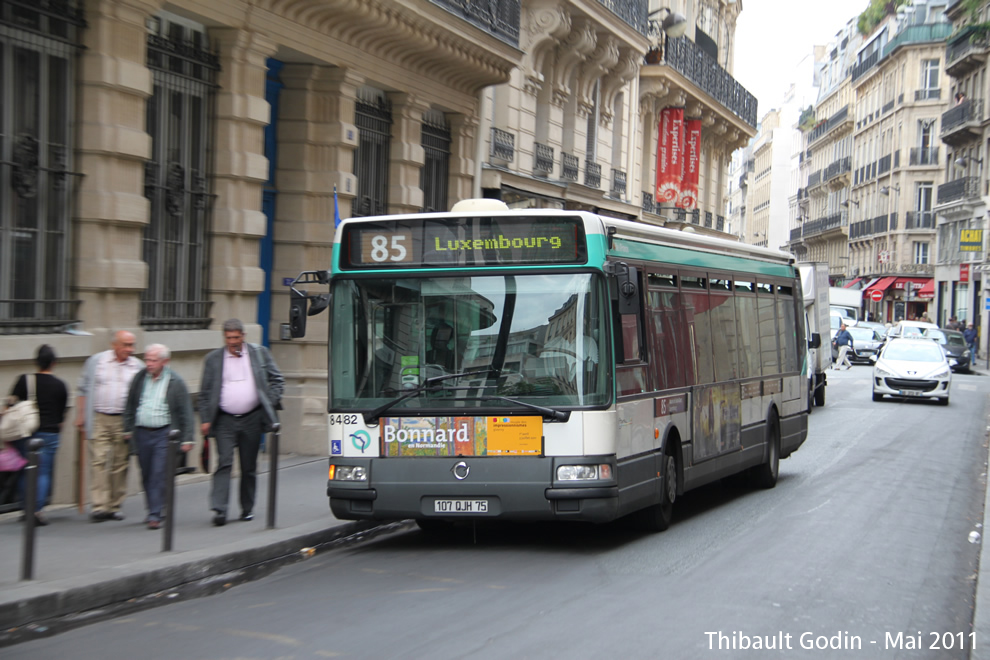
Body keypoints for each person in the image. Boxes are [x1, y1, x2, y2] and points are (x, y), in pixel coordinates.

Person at [199, 319, 283, 527]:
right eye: (229, 338)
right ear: (224, 338)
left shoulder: (259, 353)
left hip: (252, 418)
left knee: (248, 466)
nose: (233, 342)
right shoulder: (214, 359)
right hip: (224, 419)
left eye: (236, 337)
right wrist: (205, 419)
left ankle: (247, 508)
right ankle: (220, 509)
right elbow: (205, 392)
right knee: (224, 463)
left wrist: (268, 402)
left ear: (243, 336)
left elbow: (277, 380)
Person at [122, 344, 194, 530]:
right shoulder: (140, 378)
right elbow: (130, 404)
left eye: (153, 360)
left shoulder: (175, 381)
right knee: (146, 473)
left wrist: (187, 438)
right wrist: (128, 428)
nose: (149, 364)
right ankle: (153, 507)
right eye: (147, 359)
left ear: (165, 361)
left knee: (159, 473)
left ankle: (156, 513)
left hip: (165, 433)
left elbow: (185, 411)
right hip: (142, 432)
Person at [76, 330, 143, 522]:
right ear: (114, 344)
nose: (130, 349)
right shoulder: (97, 362)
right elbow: (83, 388)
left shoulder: (137, 366)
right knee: (99, 461)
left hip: (124, 419)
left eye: (132, 345)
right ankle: (99, 506)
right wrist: (81, 415)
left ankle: (114, 505)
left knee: (120, 463)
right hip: (99, 417)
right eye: (126, 345)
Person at [10, 345, 68, 525]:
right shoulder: (60, 386)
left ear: (36, 363)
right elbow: (61, 416)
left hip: (26, 433)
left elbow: (10, 405)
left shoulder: (24, 381)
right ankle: (37, 511)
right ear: (54, 363)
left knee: (25, 471)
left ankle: (25, 509)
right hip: (49, 434)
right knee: (42, 473)